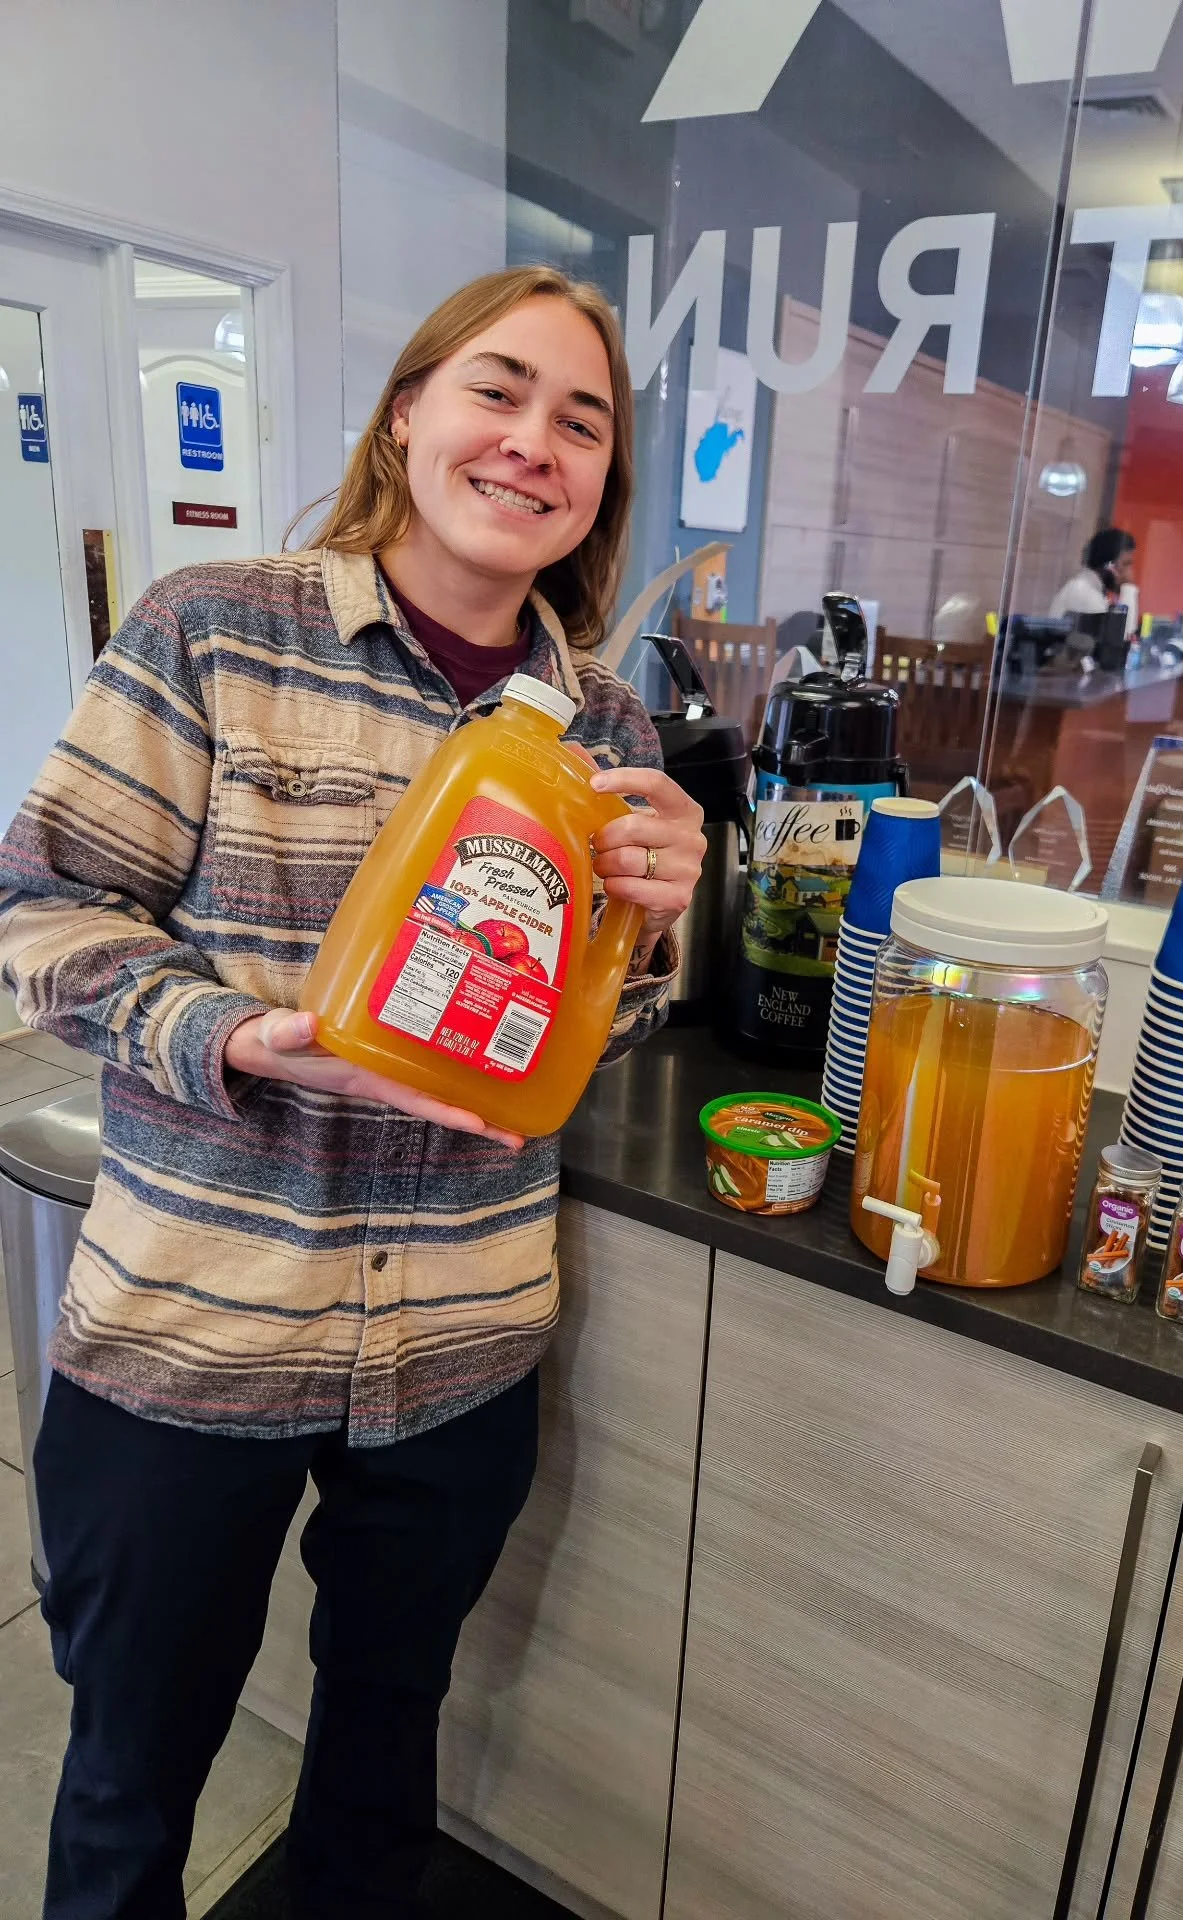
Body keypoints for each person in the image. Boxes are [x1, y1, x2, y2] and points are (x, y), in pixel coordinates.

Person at [0, 266, 706, 1920]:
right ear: (408, 414)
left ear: (603, 479)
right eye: (497, 390)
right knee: (128, 1792)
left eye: (581, 421)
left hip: (457, 1345)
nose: (533, 442)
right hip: (197, 1331)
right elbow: (42, 911)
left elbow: (579, 1036)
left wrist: (654, 933)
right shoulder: (215, 628)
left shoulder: (607, 725)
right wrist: (238, 1039)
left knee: (383, 1777)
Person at [1050, 527, 1140, 637]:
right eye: (1125, 564)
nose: (1129, 573)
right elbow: (1122, 638)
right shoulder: (1083, 591)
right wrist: (1128, 587)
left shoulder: (1090, 589)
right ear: (1107, 565)